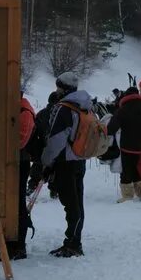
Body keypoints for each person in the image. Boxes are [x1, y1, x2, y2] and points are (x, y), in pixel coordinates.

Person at [41, 72, 92, 257]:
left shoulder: (64, 109)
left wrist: (46, 163)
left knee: (71, 205)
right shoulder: (85, 106)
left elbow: (56, 140)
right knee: (77, 203)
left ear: (63, 88)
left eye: (58, 87)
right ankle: (74, 241)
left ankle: (72, 244)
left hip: (65, 162)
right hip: (80, 160)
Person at [0, 93, 39, 262]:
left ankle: (17, 247)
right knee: (12, 203)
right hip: (15, 161)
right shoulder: (19, 110)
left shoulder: (23, 111)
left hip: (18, 162)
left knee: (16, 204)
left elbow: (19, 141)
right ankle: (11, 246)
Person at [107, 87, 141, 202]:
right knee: (133, 168)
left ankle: (127, 196)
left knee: (126, 170)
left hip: (126, 145)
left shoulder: (122, 110)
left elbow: (111, 128)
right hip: (139, 145)